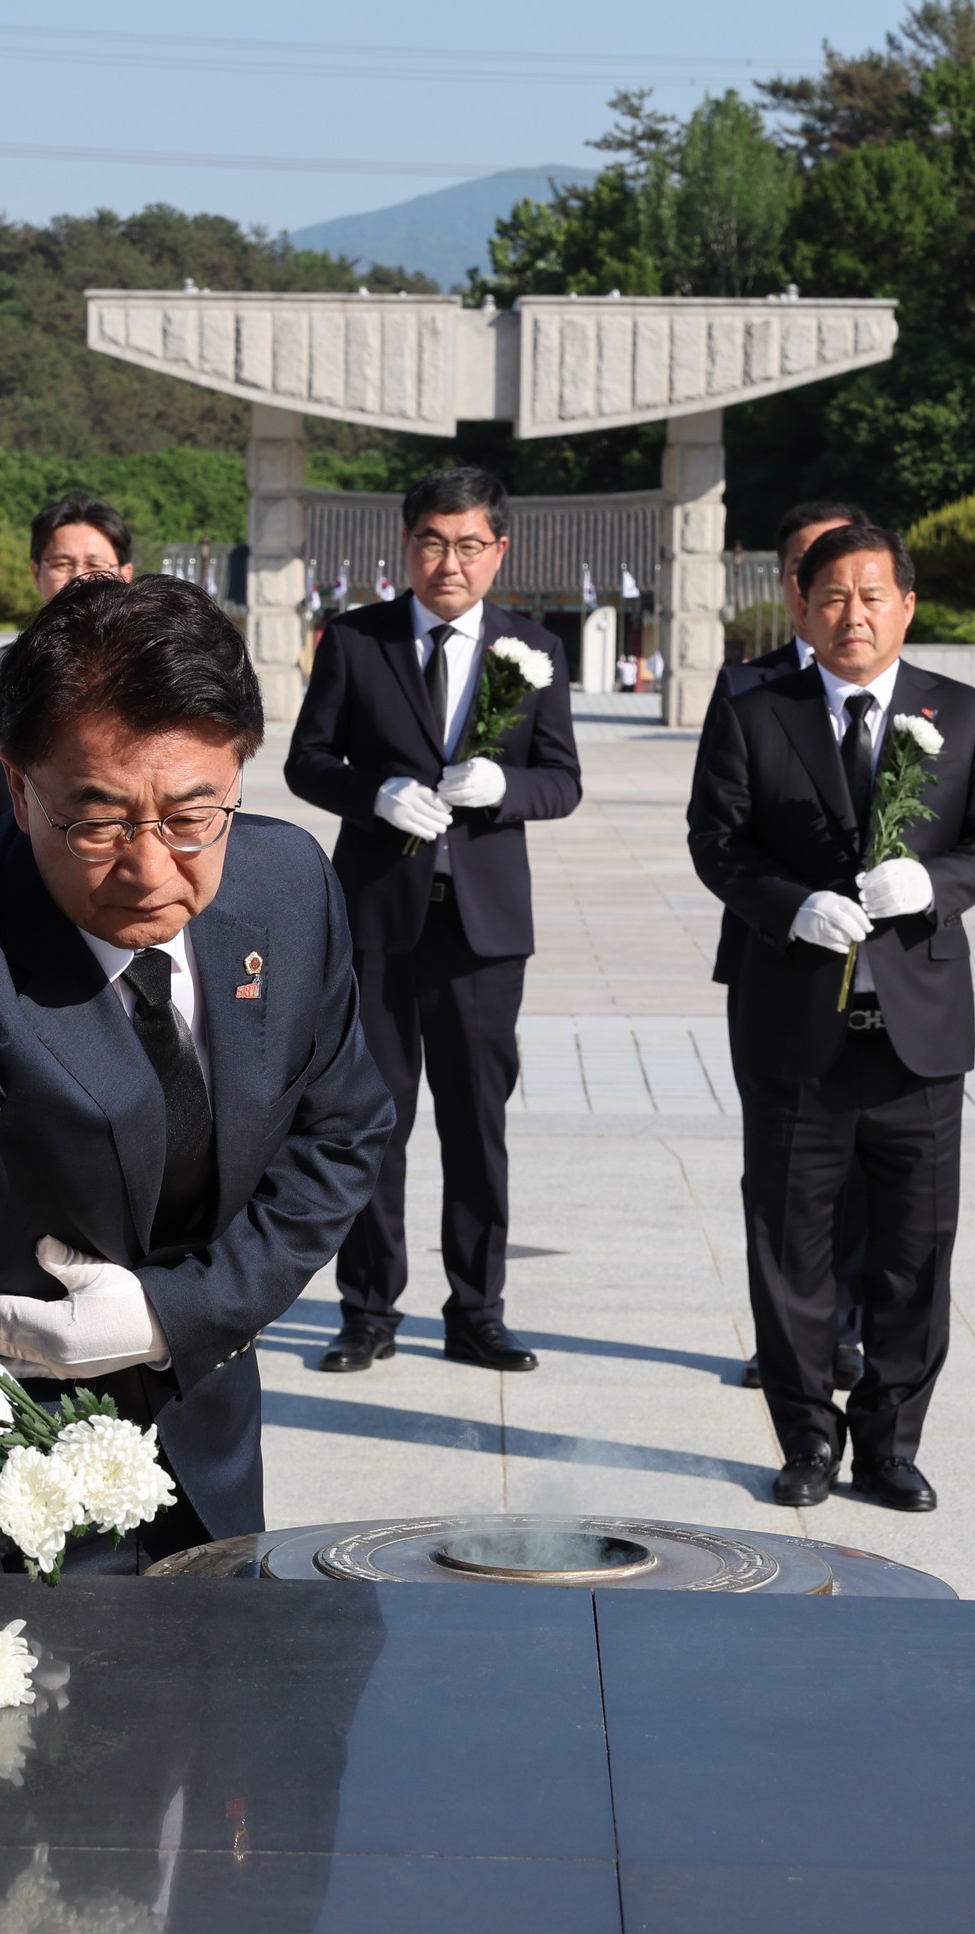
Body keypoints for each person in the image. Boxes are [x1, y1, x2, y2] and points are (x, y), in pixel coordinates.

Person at [0, 572, 393, 1572]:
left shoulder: (288, 887)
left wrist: (176, 1314)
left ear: (240, 771)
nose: (153, 867)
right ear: (18, 786)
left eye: (194, 816)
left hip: (198, 1451)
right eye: (101, 821)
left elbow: (343, 1134)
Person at [688, 522, 975, 1512]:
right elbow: (716, 839)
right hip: (796, 1030)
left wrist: (936, 881)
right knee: (790, 1249)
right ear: (801, 605)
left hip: (917, 1036)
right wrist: (786, 904)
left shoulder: (961, 714)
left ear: (907, 606)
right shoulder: (757, 707)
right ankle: (806, 1438)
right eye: (834, 595)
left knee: (915, 1255)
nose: (854, 614)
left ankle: (890, 1441)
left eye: (873, 595)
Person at [285, 465, 583, 1375]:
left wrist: (504, 789)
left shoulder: (532, 647)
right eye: (429, 541)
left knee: (475, 1121)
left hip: (484, 929)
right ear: (404, 545)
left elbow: (562, 780)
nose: (446, 561)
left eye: (466, 544)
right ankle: (368, 1308)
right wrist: (375, 793)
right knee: (371, 1119)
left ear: (499, 550)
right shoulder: (355, 640)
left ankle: (477, 1309)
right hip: (377, 918)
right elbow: (307, 762)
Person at [708, 498, 869, 1395]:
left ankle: (844, 1329)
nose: (841, 598)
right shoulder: (748, 690)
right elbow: (720, 834)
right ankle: (790, 1340)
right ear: (792, 588)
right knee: (784, 1169)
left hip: (886, 981)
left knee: (870, 1175)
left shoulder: (912, 697)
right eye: (819, 571)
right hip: (776, 961)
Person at [0, 493, 135, 843]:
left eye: (94, 563)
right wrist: (16, 856)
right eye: (61, 564)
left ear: (125, 574)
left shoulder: (154, 674)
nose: (78, 578)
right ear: (36, 572)